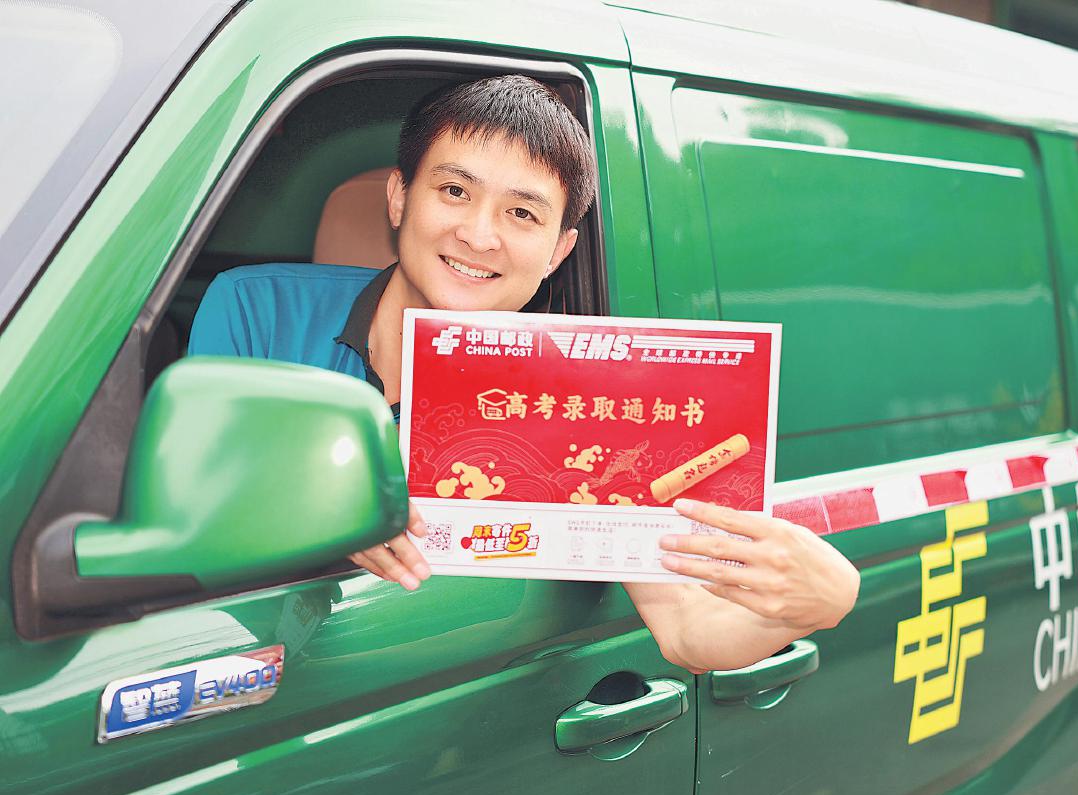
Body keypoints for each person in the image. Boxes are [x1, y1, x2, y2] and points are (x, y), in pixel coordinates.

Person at [189, 74, 859, 673]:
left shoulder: (586, 404)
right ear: (399, 197)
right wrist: (317, 509)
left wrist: (818, 602)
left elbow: (690, 631)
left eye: (521, 213)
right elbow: (196, 508)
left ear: (559, 251)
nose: (479, 235)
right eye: (455, 191)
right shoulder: (255, 309)